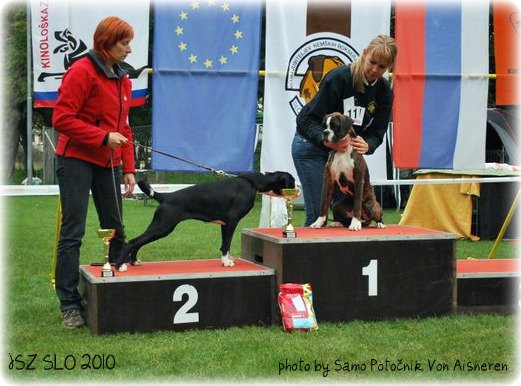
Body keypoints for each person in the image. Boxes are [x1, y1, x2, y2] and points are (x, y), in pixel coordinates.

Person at [52, 16, 137, 329]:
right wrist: (102, 137)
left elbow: (123, 127)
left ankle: (116, 289)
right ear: (106, 43)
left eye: (129, 42)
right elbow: (61, 118)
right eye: (124, 43)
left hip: (110, 163)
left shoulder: (123, 78)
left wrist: (128, 167)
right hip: (75, 158)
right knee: (73, 231)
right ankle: (69, 305)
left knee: (115, 227)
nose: (129, 49)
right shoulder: (81, 71)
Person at [292, 35, 397, 226]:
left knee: (345, 215)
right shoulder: (338, 78)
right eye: (372, 62)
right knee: (318, 216)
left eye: (381, 67)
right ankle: (312, 255)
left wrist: (368, 144)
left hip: (344, 155)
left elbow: (379, 130)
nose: (375, 70)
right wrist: (325, 140)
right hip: (311, 148)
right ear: (364, 54)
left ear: (389, 67)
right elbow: (305, 119)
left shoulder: (384, 91)